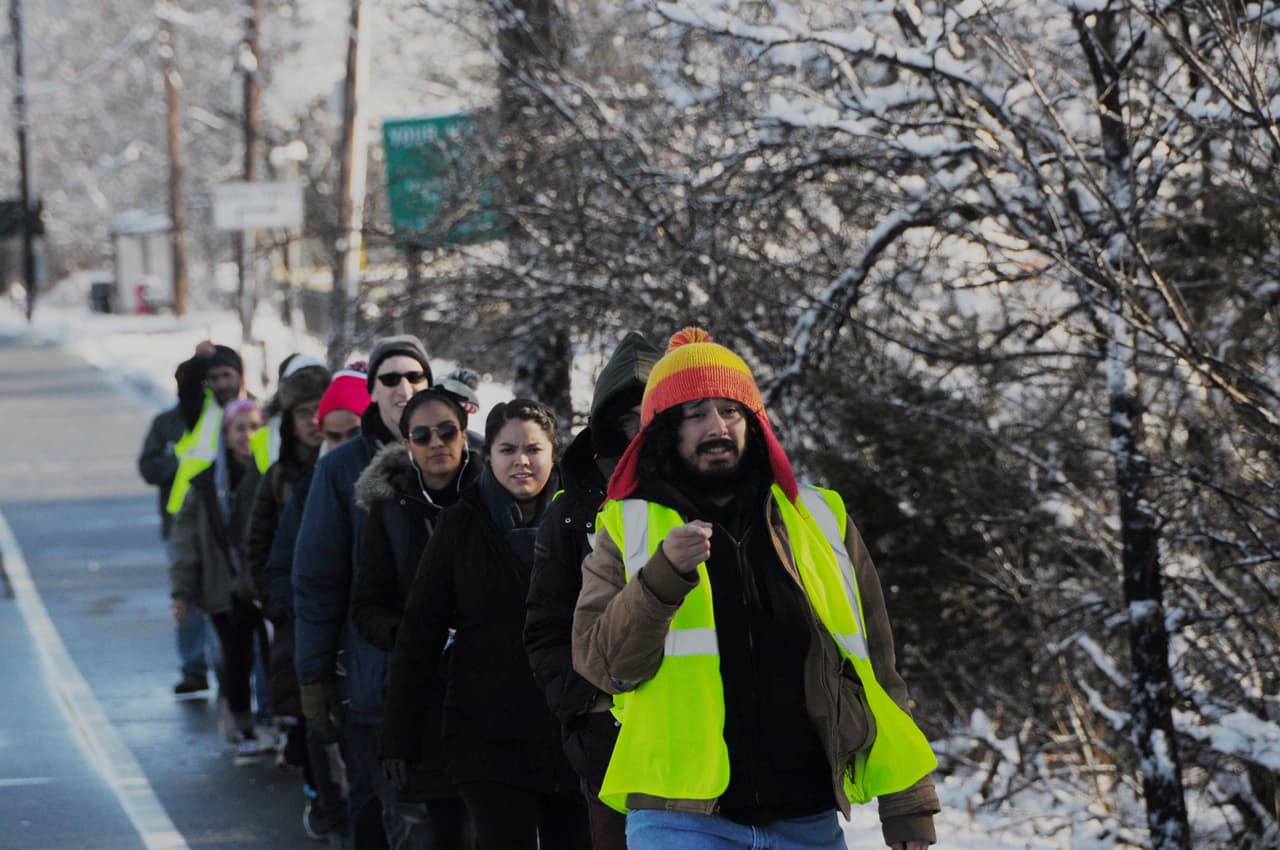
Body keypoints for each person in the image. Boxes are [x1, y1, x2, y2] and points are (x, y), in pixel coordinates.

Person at [572, 327, 941, 850]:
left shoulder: (819, 518)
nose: (716, 426)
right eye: (695, 413)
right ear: (663, 431)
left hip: (808, 818)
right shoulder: (626, 527)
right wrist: (660, 580)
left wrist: (907, 800)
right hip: (679, 819)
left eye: (730, 410)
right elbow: (601, 664)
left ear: (754, 422)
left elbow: (877, 669)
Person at [383, 399, 590, 850]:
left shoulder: (584, 521)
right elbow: (421, 632)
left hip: (569, 729)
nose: (521, 461)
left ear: (553, 453)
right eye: (507, 449)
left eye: (533, 449)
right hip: (486, 734)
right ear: (489, 454)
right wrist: (399, 736)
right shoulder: (461, 524)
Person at [294, 336, 434, 850]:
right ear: (371, 391)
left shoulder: (471, 456)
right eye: (390, 379)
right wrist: (313, 677)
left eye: (415, 377)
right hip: (374, 678)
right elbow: (317, 581)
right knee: (385, 816)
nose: (404, 388)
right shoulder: (339, 470)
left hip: (457, 682)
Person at [524, 331, 659, 850]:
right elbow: (545, 625)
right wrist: (586, 706)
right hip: (611, 752)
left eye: (653, 414)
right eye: (628, 419)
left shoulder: (706, 496)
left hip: (706, 749)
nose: (641, 431)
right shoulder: (572, 509)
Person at [351, 387, 482, 849]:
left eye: (446, 431)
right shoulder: (390, 510)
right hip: (427, 695)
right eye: (422, 435)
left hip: (495, 690)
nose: (436, 443)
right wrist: (410, 635)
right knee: (448, 829)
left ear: (464, 435)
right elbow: (366, 605)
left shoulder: (493, 497)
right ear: (407, 444)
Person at [265, 364, 371, 842]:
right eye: (334, 435)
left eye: (354, 432)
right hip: (332, 653)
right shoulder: (315, 483)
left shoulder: (398, 480)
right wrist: (305, 617)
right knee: (347, 776)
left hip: (383, 654)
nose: (344, 444)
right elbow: (281, 567)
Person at [244, 355, 332, 764]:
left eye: (320, 410)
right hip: (294, 607)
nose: (313, 420)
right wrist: (275, 601)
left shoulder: (348, 465)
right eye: (303, 412)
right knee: (297, 695)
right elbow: (257, 544)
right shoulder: (278, 477)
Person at [170, 399, 267, 756]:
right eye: (240, 427)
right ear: (226, 435)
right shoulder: (206, 483)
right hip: (223, 586)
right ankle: (240, 721)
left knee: (272, 655)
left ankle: (272, 720)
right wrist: (181, 593)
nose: (247, 435)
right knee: (235, 656)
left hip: (263, 583)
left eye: (254, 426)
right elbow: (187, 541)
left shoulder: (271, 476)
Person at [138, 366, 212, 696]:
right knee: (186, 593)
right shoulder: (165, 424)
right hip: (177, 523)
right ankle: (193, 666)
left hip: (220, 523)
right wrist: (179, 461)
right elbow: (147, 466)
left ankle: (231, 670)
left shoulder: (220, 421)